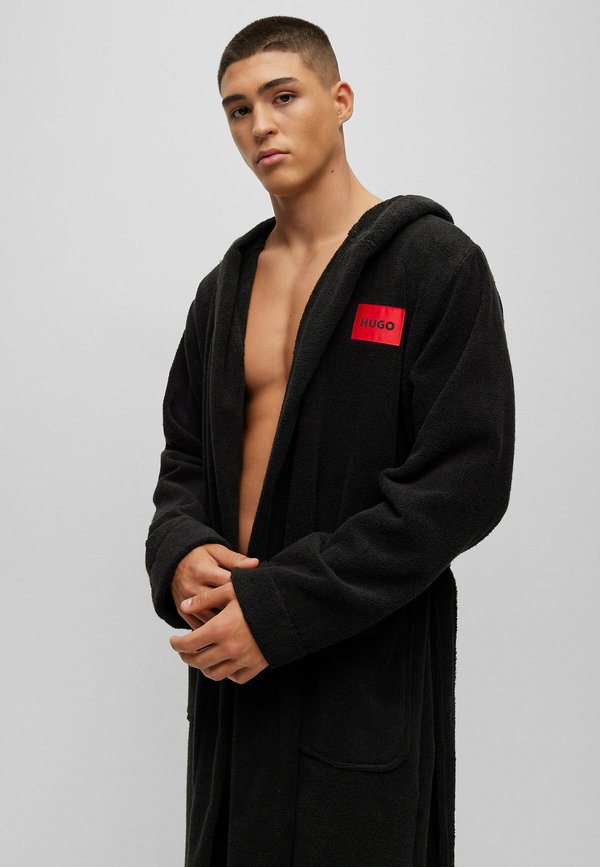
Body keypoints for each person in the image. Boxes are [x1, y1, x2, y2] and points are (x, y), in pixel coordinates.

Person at [145, 15, 515, 867]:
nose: (260, 125)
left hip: (360, 668)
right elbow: (185, 458)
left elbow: (464, 483)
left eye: (283, 96)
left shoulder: (435, 266)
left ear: (341, 99)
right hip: (235, 676)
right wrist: (180, 548)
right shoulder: (222, 291)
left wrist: (281, 608)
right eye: (238, 109)